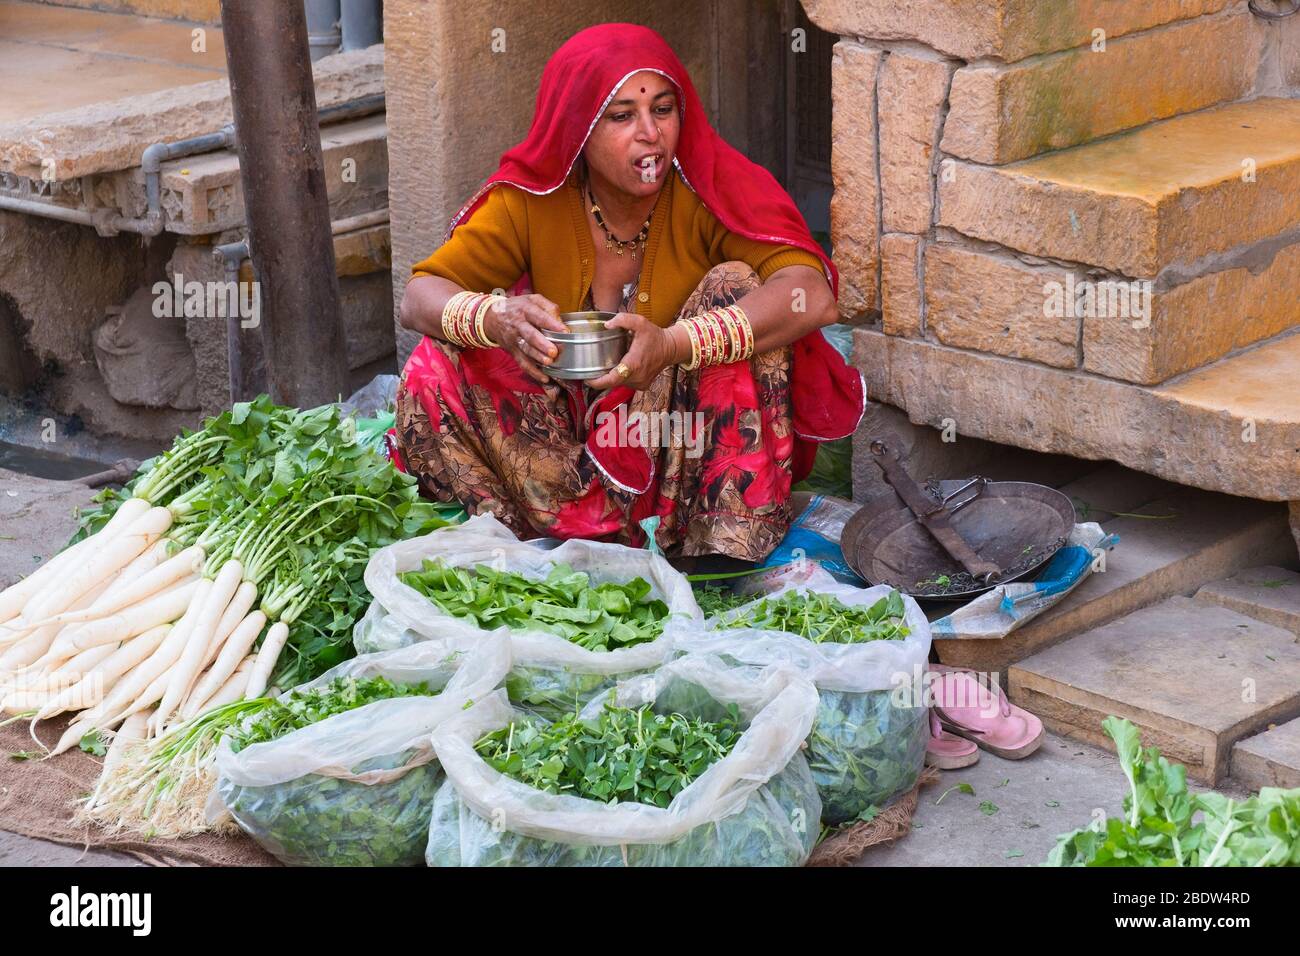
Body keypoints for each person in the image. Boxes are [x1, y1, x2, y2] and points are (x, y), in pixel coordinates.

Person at [394, 22, 864, 562]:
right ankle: (542, 540)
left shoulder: (708, 187)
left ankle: (716, 549)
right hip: (557, 452)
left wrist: (674, 343)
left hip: (678, 446)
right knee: (441, 356)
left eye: (663, 110)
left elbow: (809, 293)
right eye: (622, 116)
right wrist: (497, 316)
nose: (650, 133)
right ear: (578, 129)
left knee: (733, 286)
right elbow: (418, 298)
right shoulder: (534, 199)